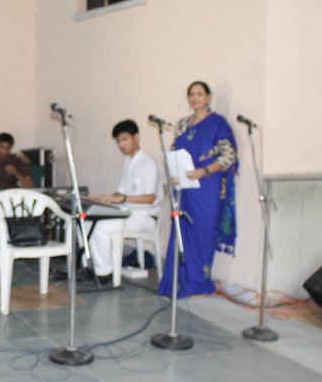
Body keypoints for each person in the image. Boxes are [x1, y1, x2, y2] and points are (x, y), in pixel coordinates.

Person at [158, 81, 237, 298]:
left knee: (204, 231)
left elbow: (229, 156)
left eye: (200, 94)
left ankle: (199, 281)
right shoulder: (182, 124)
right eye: (191, 94)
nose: (195, 98)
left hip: (207, 187)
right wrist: (174, 173)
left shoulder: (219, 124)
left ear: (208, 97)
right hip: (184, 188)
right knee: (182, 230)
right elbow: (174, 152)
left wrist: (205, 170)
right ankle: (180, 279)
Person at [87, 120, 162, 283]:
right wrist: (103, 197)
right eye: (118, 141)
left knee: (102, 226)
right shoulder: (129, 162)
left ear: (136, 137)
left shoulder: (148, 163)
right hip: (128, 212)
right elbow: (120, 193)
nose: (121, 144)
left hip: (145, 217)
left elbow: (150, 198)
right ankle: (90, 266)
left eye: (125, 139)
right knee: (87, 222)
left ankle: (104, 274)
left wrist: (123, 199)